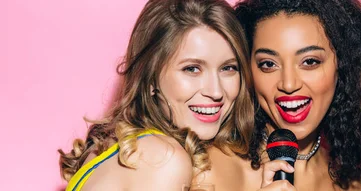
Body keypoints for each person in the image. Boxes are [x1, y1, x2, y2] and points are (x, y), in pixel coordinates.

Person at [57, 0, 254, 190]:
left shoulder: (121, 148)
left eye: (228, 68)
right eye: (192, 69)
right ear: (150, 78)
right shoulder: (163, 160)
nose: (216, 91)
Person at [200, 0, 361, 190]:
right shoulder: (210, 169)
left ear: (342, 66)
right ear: (247, 70)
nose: (288, 84)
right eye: (269, 64)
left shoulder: (355, 180)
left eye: (310, 62)